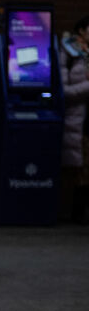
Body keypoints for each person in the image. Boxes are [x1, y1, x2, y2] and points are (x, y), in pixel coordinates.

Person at [61, 15, 89, 223]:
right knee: (77, 169)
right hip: (78, 121)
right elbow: (64, 91)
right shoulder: (68, 53)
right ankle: (74, 212)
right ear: (81, 31)